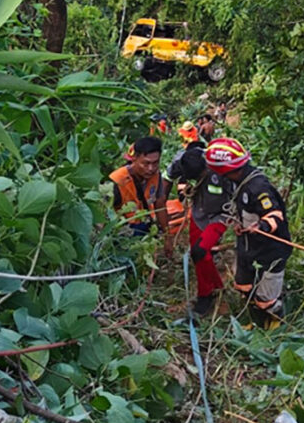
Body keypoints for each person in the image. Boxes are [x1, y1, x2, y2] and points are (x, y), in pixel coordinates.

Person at [204, 137, 292, 329]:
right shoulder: (235, 182)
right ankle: (254, 322)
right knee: (244, 286)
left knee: (266, 299)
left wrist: (261, 227)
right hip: (247, 245)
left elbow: (275, 215)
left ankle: (275, 328)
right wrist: (239, 223)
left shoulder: (258, 187)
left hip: (271, 250)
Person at [161, 144, 233, 315]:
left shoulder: (222, 168)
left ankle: (205, 295)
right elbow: (167, 179)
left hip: (222, 214)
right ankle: (215, 288)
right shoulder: (180, 161)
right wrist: (160, 206)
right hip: (199, 211)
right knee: (197, 254)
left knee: (200, 250)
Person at [109, 136, 169, 238]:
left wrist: (167, 235)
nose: (151, 168)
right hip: (122, 230)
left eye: (155, 163)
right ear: (135, 158)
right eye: (146, 163)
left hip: (144, 224)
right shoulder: (118, 180)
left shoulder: (156, 176)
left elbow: (160, 204)